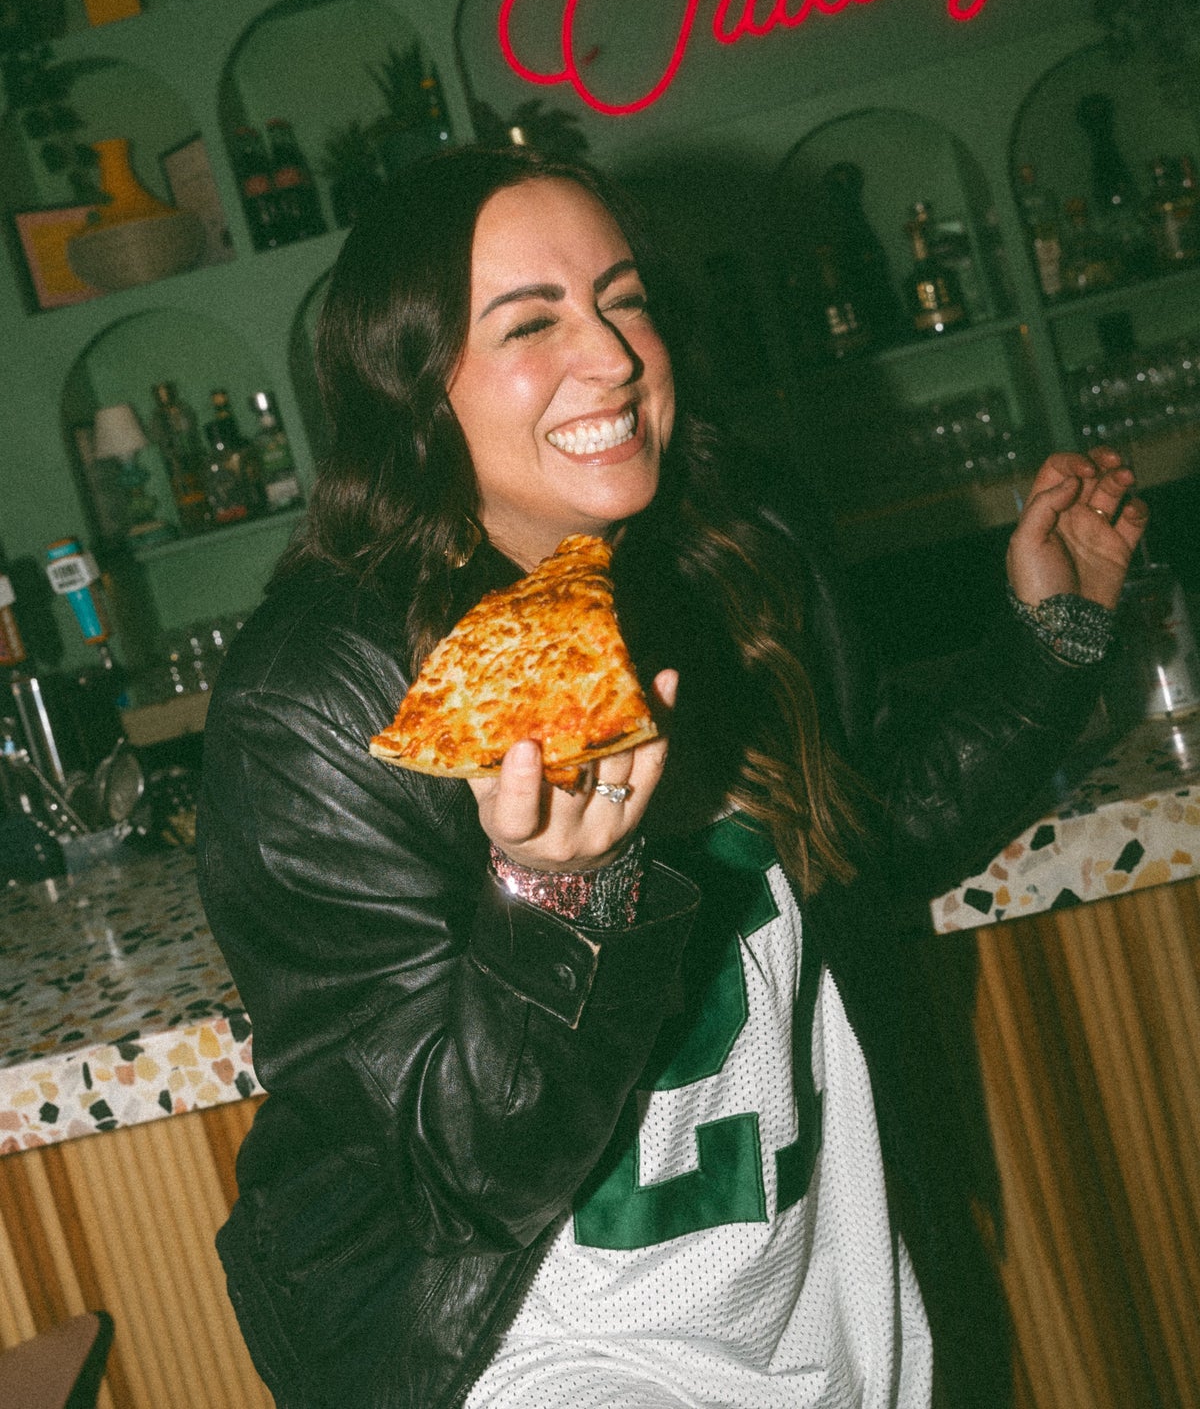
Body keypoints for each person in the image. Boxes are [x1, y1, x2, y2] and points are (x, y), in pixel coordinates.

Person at [198, 146, 1146, 1409]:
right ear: (414, 386)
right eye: (530, 323)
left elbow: (868, 835)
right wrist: (554, 896)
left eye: (625, 299)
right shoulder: (321, 697)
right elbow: (456, 1175)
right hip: (543, 1357)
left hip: (827, 1309)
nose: (613, 356)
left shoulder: (734, 545)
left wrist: (1058, 637)